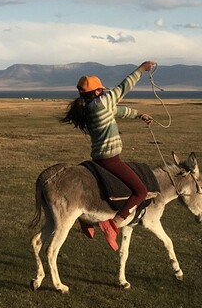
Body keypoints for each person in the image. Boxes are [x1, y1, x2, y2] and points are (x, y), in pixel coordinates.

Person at [62, 61, 156, 238]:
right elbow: (123, 87)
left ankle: (85, 221)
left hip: (97, 157)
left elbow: (117, 110)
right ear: (97, 92)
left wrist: (138, 114)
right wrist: (141, 69)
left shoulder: (91, 108)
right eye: (102, 90)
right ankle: (114, 224)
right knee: (141, 191)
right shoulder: (102, 103)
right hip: (110, 158)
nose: (104, 92)